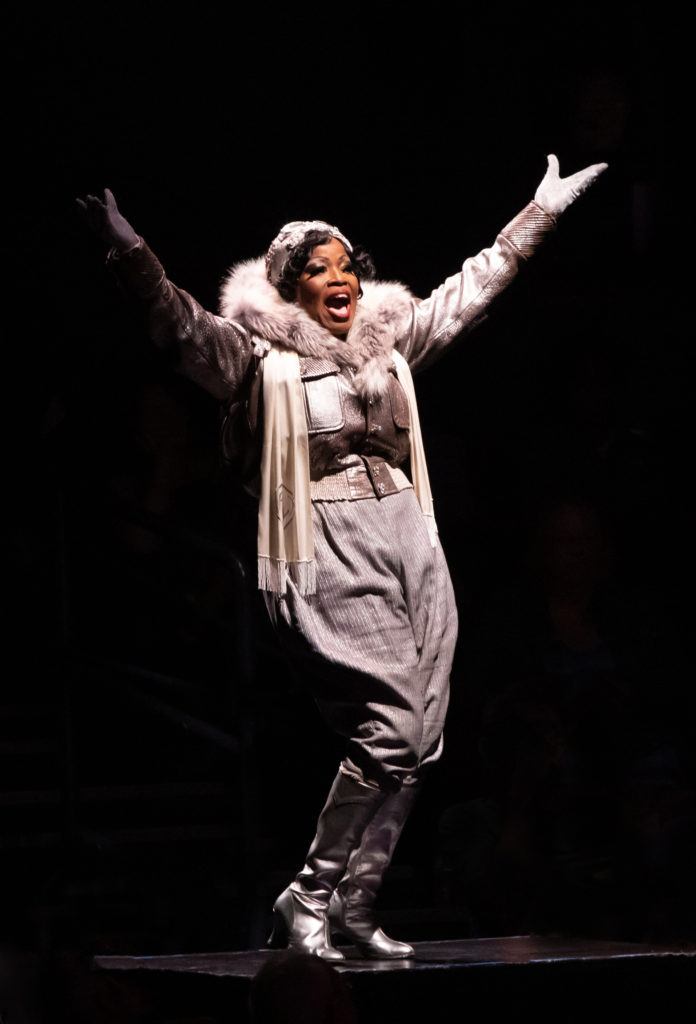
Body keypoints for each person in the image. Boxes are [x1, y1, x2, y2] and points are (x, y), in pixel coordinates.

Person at [77, 154, 607, 960]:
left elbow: (471, 290)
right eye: (317, 269)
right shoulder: (258, 362)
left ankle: (355, 904)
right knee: (390, 726)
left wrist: (539, 213)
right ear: (290, 287)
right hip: (326, 544)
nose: (341, 278)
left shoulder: (388, 347)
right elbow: (177, 321)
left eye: (347, 266)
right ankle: (310, 892)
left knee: (423, 735)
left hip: (409, 538)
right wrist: (127, 247)